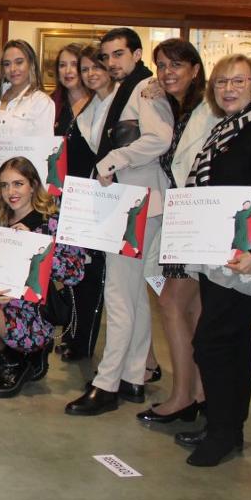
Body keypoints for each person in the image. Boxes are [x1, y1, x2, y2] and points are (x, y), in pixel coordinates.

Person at [139, 40, 251, 426]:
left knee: (183, 310)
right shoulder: (174, 106)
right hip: (188, 222)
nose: (167, 73)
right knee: (188, 309)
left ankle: (193, 397)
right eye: (161, 66)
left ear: (197, 70)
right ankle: (199, 395)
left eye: (177, 65)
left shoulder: (215, 110)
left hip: (212, 228)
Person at [175, 56, 251, 466]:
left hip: (250, 256)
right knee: (233, 341)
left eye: (238, 81)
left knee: (213, 341)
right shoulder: (224, 129)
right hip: (218, 252)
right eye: (222, 81)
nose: (228, 88)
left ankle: (223, 432)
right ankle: (227, 427)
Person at [66, 28, 173, 417]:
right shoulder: (120, 93)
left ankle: (107, 383)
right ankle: (131, 375)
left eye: (117, 55)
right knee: (130, 295)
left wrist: (113, 161)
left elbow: (160, 138)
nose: (111, 63)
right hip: (130, 202)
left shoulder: (145, 88)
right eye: (105, 56)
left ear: (136, 53)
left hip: (137, 204)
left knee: (118, 294)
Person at [0, 157, 85, 397]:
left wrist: (34, 245)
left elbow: (75, 272)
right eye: (4, 185)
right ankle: (18, 359)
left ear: (33, 185)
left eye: (18, 184)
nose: (11, 192)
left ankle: (27, 352)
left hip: (31, 315)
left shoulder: (52, 220)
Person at [58, 46, 115, 363]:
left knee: (91, 274)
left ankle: (83, 343)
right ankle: (70, 333)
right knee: (68, 272)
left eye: (76, 65)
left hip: (94, 198)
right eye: (63, 65)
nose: (70, 72)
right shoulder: (60, 106)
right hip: (66, 199)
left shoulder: (102, 104)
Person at [0, 39, 55, 138]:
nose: (12, 69)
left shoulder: (41, 101)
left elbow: (44, 147)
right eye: (7, 64)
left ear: (31, 64)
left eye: (19, 62)